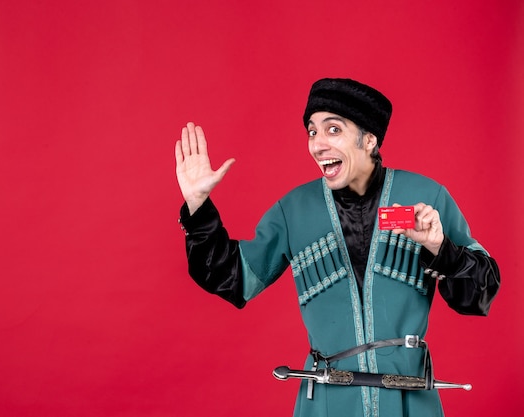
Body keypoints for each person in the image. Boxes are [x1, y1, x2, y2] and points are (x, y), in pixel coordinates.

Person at [174, 78, 500, 417]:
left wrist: (440, 247)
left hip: (409, 399)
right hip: (327, 401)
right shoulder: (293, 210)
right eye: (312, 132)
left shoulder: (426, 197)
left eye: (333, 130)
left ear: (369, 139)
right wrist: (198, 206)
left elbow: (480, 293)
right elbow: (233, 278)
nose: (317, 145)